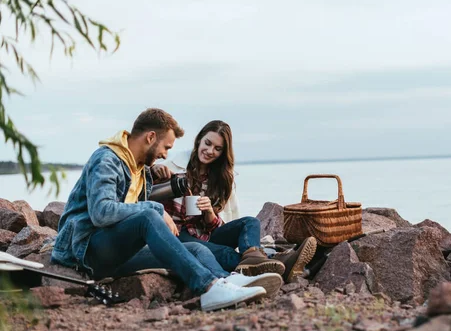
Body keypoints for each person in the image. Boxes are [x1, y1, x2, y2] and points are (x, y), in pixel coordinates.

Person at [51, 108, 282, 311]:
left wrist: (156, 176)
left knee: (196, 250)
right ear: (151, 137)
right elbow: (102, 212)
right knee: (149, 215)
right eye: (165, 147)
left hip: (117, 253)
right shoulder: (107, 159)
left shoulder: (139, 169)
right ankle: (209, 287)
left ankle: (226, 281)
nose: (165, 154)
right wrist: (155, 208)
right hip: (85, 251)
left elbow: (130, 202)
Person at [152, 120, 316, 282]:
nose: (210, 151)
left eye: (217, 149)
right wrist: (154, 169)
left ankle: (256, 261)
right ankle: (282, 264)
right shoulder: (172, 164)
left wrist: (209, 212)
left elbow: (214, 226)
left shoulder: (218, 178)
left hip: (205, 235)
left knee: (250, 223)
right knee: (224, 252)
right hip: (176, 233)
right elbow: (143, 182)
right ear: (199, 139)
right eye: (207, 143)